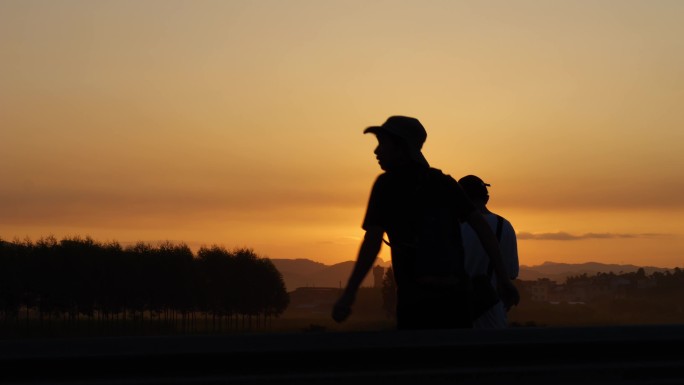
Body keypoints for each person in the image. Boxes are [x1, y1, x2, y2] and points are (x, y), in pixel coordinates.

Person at [331, 116, 519, 330]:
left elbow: (372, 242)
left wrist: (349, 293)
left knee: (419, 359)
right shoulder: (443, 183)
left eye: (383, 143)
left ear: (402, 147)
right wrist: (504, 279)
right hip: (456, 300)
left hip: (415, 300)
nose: (376, 151)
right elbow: (482, 228)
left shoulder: (387, 186)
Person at [459, 175, 520, 329]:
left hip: (455, 309)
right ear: (486, 198)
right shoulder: (504, 226)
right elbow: (510, 273)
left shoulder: (451, 227)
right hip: (491, 312)